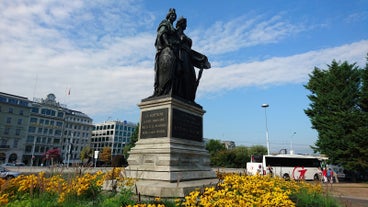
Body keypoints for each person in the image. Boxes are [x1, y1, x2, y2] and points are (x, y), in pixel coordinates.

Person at [153, 8, 180, 97]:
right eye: (172, 15)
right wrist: (168, 44)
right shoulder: (165, 23)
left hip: (175, 50)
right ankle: (162, 89)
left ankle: (172, 90)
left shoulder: (173, 27)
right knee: (167, 70)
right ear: (168, 16)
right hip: (167, 49)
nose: (173, 17)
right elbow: (162, 33)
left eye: (174, 16)